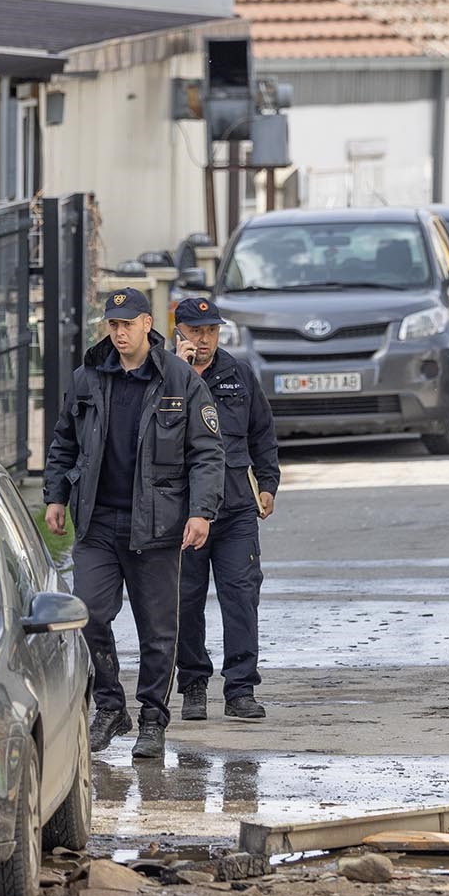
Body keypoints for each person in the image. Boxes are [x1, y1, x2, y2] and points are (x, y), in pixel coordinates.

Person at [44, 287, 225, 762]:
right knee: (88, 614)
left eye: (127, 323)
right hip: (98, 522)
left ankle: (151, 719)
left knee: (157, 630)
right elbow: (64, 440)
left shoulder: (180, 380)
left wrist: (202, 511)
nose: (118, 332)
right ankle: (110, 706)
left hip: (157, 526)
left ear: (148, 324)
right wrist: (56, 496)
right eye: (112, 324)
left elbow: (207, 453)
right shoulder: (88, 378)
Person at [169, 296, 280, 723]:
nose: (205, 339)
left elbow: (262, 433)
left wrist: (267, 483)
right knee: (185, 601)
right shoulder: (161, 376)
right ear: (178, 331)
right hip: (182, 511)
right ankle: (193, 686)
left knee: (240, 596)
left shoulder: (238, 374)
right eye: (196, 331)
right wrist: (178, 374)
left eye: (212, 331)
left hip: (234, 509)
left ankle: (240, 690)